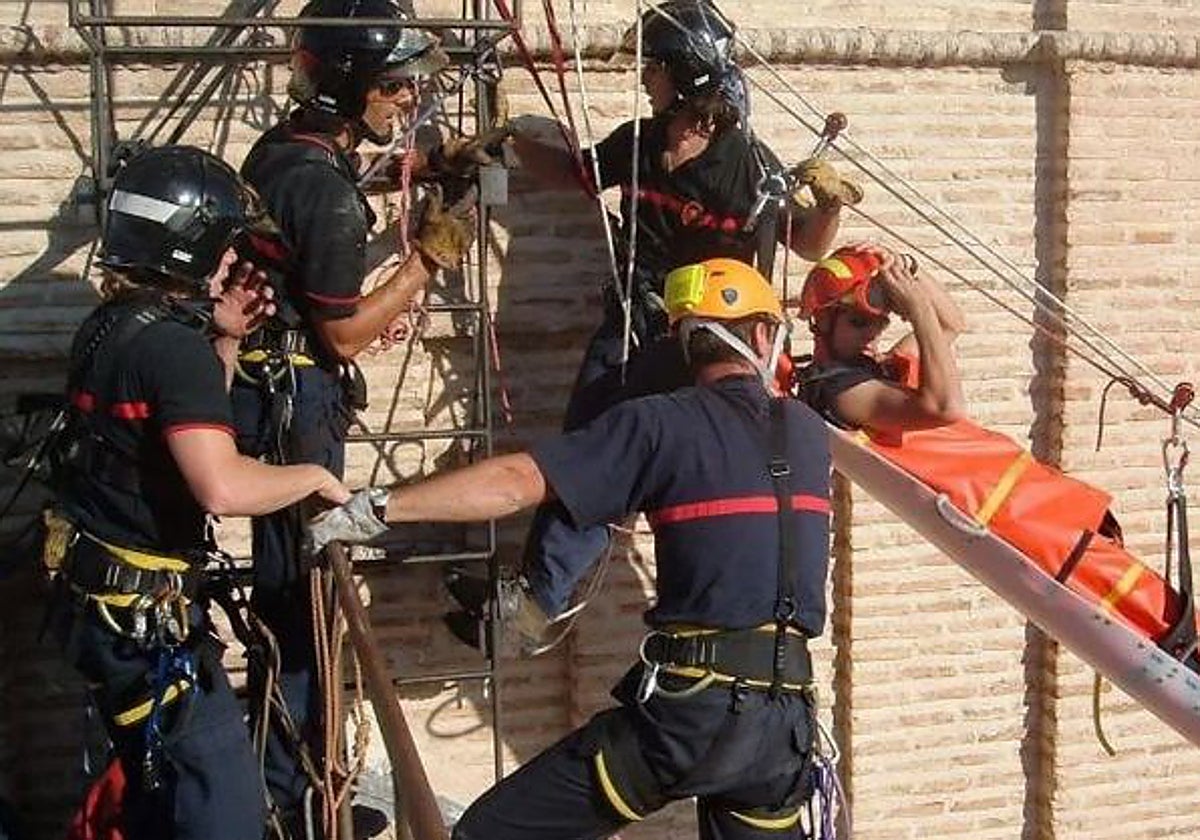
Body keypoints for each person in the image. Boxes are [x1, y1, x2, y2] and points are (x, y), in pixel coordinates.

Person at [310, 258, 834, 839]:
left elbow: (515, 482)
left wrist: (379, 507)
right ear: (761, 336)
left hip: (691, 717)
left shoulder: (659, 424)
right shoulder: (809, 432)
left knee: (489, 833)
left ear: (686, 344)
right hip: (784, 730)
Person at [476, 0, 859, 630]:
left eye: (653, 67)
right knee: (588, 449)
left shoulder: (746, 166)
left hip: (705, 342)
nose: (645, 78)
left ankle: (553, 596)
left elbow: (807, 243)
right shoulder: (639, 143)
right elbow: (576, 174)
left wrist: (830, 206)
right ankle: (538, 597)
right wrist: (511, 142)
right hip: (632, 323)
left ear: (683, 73)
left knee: (619, 456)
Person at [46, 145, 351, 840]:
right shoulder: (171, 349)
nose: (232, 258)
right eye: (225, 243)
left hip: (102, 609)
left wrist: (226, 340)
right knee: (225, 810)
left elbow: (177, 431)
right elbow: (221, 484)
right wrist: (315, 477)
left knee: (161, 799)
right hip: (145, 623)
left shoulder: (111, 325)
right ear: (187, 244)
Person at [233, 0, 484, 823]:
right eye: (394, 86)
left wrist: (434, 161)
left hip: (270, 394)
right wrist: (425, 263)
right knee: (306, 597)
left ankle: (295, 772)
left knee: (293, 590)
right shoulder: (322, 189)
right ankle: (297, 794)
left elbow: (325, 199)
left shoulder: (286, 150)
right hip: (296, 406)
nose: (407, 99)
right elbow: (344, 333)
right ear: (348, 88)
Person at [794, 243, 966, 436]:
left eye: (880, 326)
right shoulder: (841, 390)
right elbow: (946, 408)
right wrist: (919, 310)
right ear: (823, 320)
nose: (873, 336)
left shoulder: (875, 365)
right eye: (859, 323)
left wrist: (902, 266)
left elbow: (949, 326)